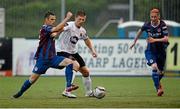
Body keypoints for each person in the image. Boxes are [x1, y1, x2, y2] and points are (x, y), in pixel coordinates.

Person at [13, 11, 80, 98]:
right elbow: (55, 29)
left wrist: (63, 28)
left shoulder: (49, 30)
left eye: (54, 19)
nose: (53, 21)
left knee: (70, 62)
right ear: (46, 19)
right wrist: (67, 18)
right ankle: (19, 93)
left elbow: (55, 32)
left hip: (53, 58)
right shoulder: (45, 28)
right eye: (51, 19)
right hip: (43, 60)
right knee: (32, 80)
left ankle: (68, 88)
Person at [56, 10, 97, 97]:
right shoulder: (69, 25)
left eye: (83, 20)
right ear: (75, 18)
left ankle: (89, 93)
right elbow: (61, 28)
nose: (81, 21)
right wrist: (55, 33)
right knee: (76, 65)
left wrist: (92, 50)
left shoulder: (82, 30)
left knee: (86, 72)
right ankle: (67, 90)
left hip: (73, 52)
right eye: (79, 19)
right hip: (62, 51)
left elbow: (87, 40)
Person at [130, 8, 169, 96]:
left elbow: (166, 38)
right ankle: (158, 88)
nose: (153, 19)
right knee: (154, 67)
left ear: (158, 16)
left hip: (161, 51)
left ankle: (157, 83)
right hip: (150, 51)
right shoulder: (147, 25)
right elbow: (140, 31)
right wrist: (134, 42)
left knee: (161, 72)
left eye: (155, 17)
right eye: (151, 17)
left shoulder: (162, 25)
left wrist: (155, 40)